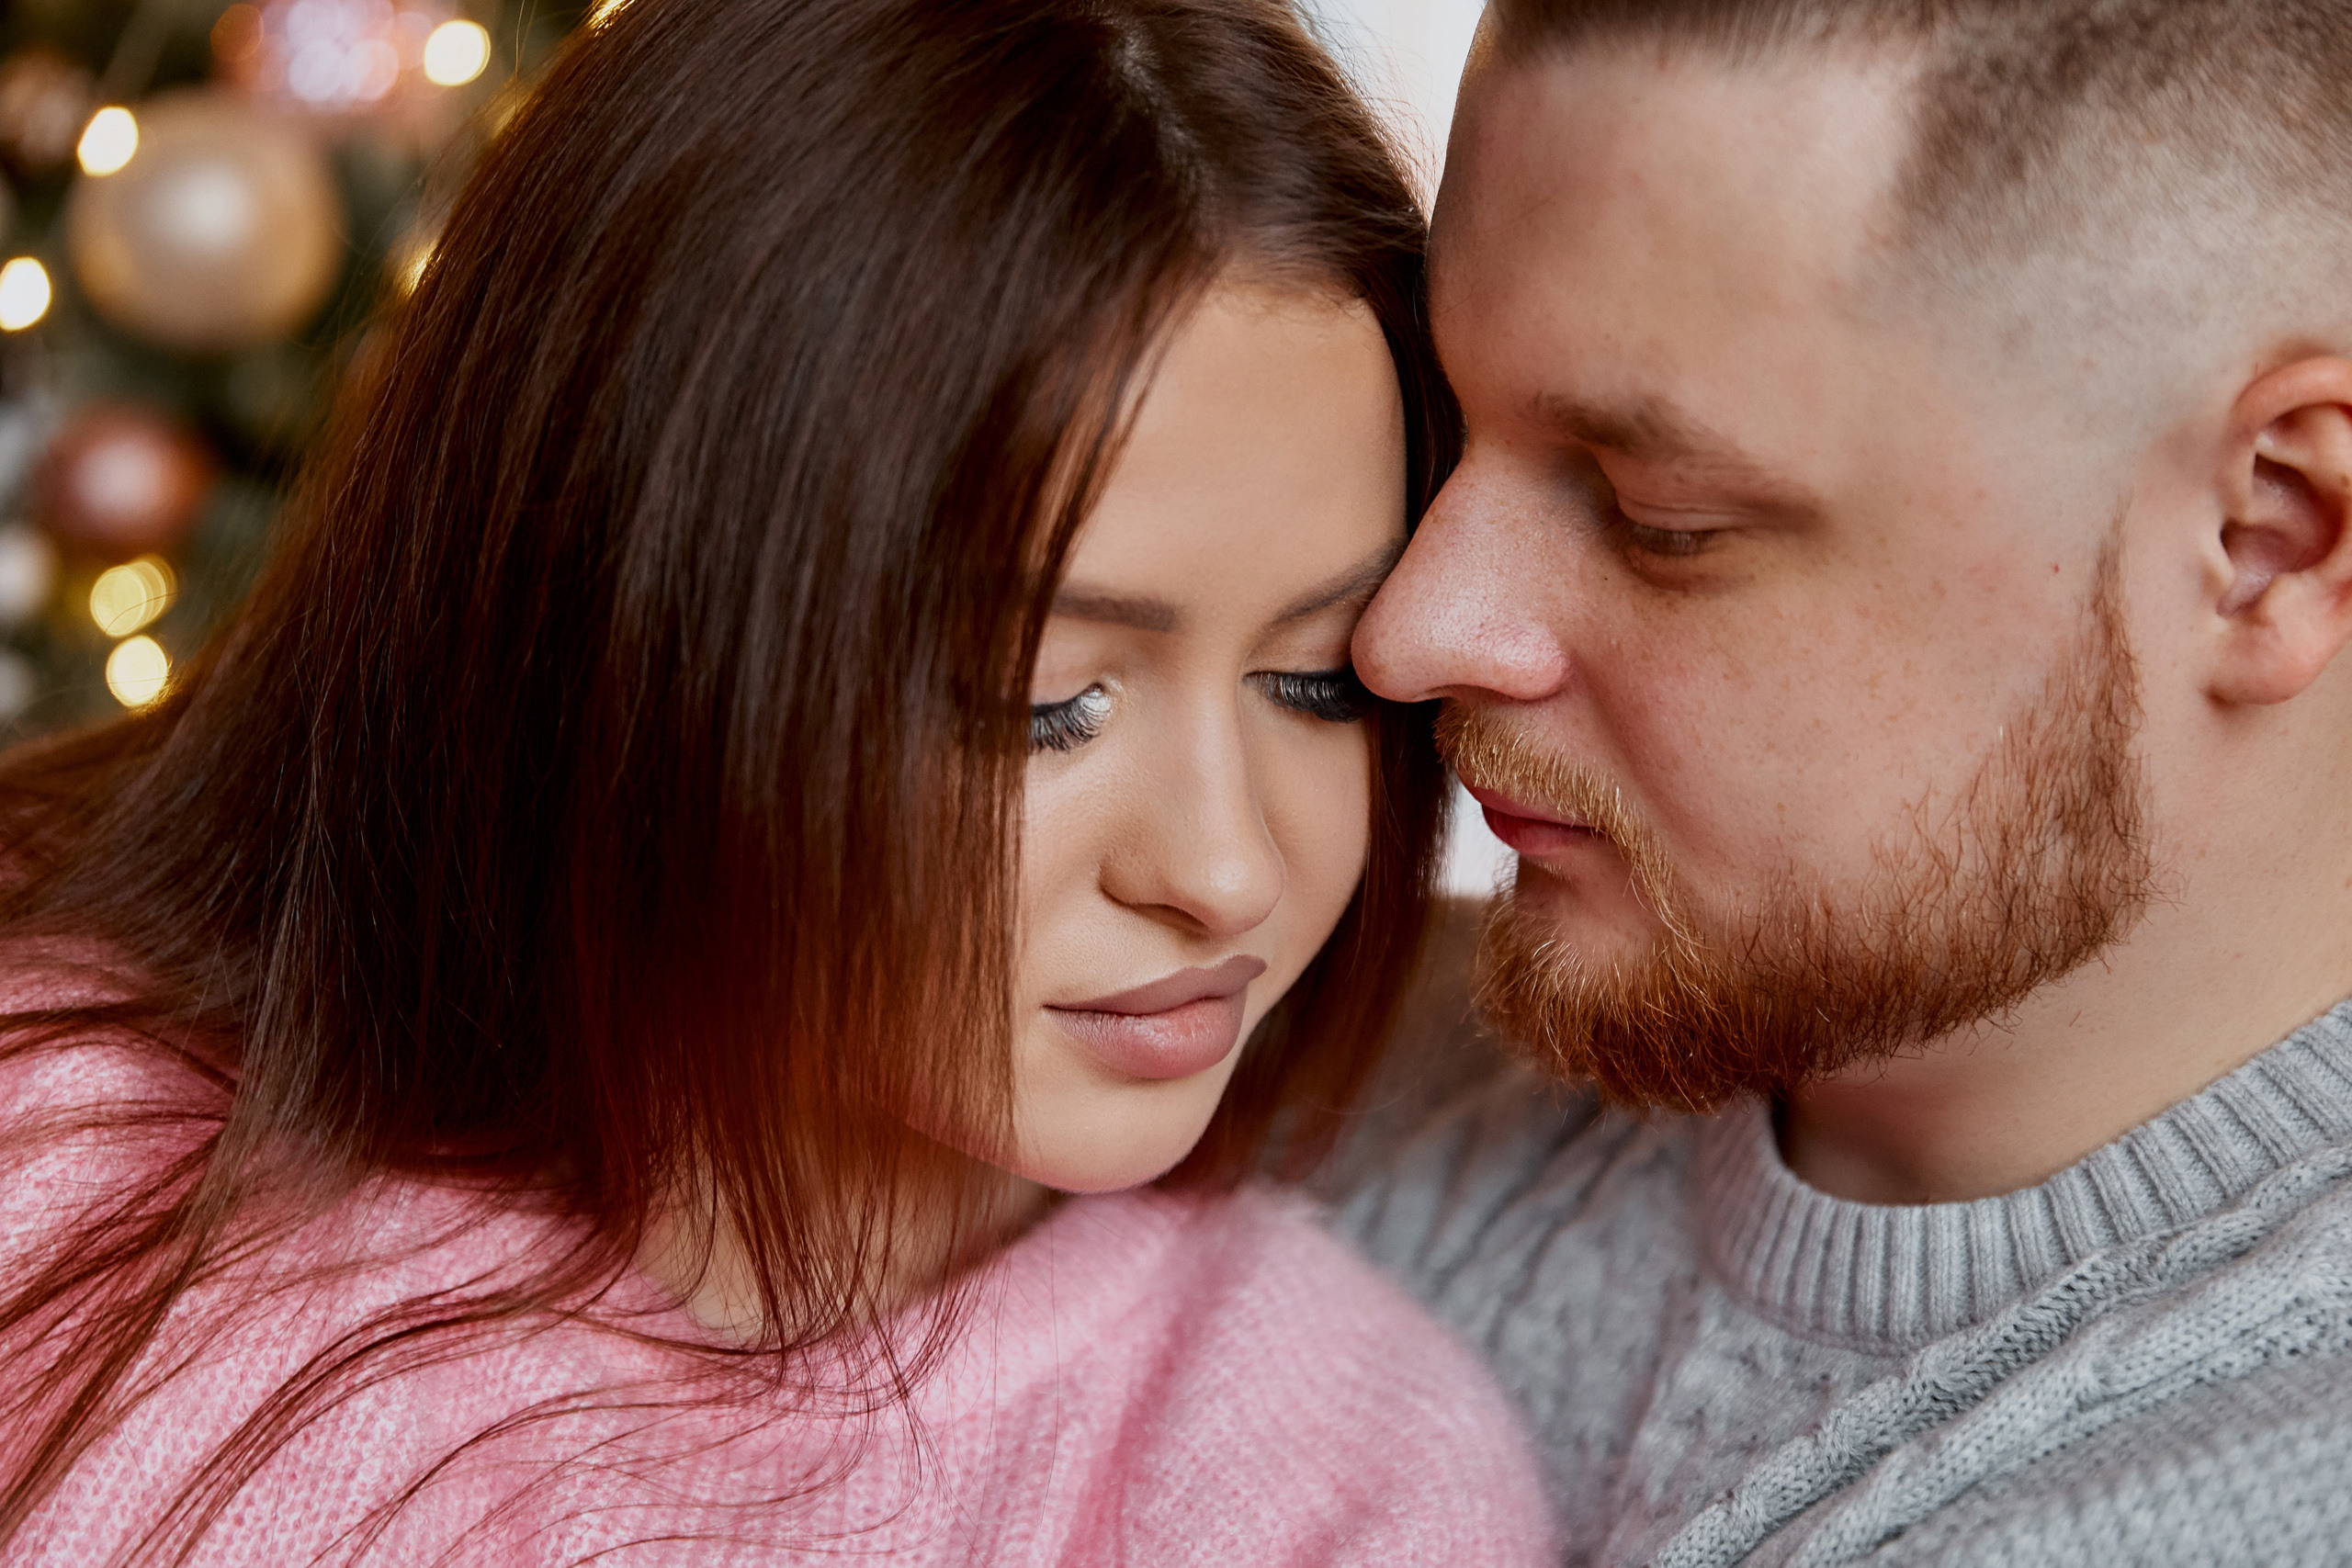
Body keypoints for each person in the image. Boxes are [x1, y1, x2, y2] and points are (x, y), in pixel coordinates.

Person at [0, 0, 1556, 1561]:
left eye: (1317, 680)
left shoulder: (1343, 1490)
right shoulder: (64, 1170)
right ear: (620, 611)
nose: (1223, 871)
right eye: (1043, 705)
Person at [1337, 0, 2352, 1562]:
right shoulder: (1250, 1058)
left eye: (1658, 514)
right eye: (1441, 435)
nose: (1411, 633)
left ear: (2270, 536)